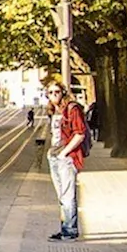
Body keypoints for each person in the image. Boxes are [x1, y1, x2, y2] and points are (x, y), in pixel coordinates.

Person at [44, 82, 87, 241]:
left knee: (68, 195)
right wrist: (52, 153)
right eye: (50, 92)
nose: (54, 94)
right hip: (54, 156)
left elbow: (80, 133)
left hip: (67, 157)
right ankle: (65, 228)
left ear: (63, 92)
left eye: (57, 91)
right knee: (62, 195)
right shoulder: (53, 111)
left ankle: (70, 230)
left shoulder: (72, 108)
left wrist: (65, 152)